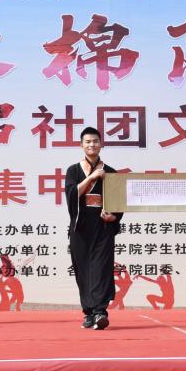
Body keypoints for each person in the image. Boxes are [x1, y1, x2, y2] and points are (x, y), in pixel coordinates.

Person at [65, 127, 122, 330]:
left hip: (102, 228)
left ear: (101, 144)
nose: (92, 145)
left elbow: (119, 202)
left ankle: (100, 311)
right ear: (81, 145)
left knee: (101, 269)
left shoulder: (110, 172)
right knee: (82, 270)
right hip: (80, 228)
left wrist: (113, 217)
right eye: (88, 142)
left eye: (95, 141)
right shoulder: (73, 170)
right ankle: (88, 312)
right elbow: (71, 195)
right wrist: (91, 178)